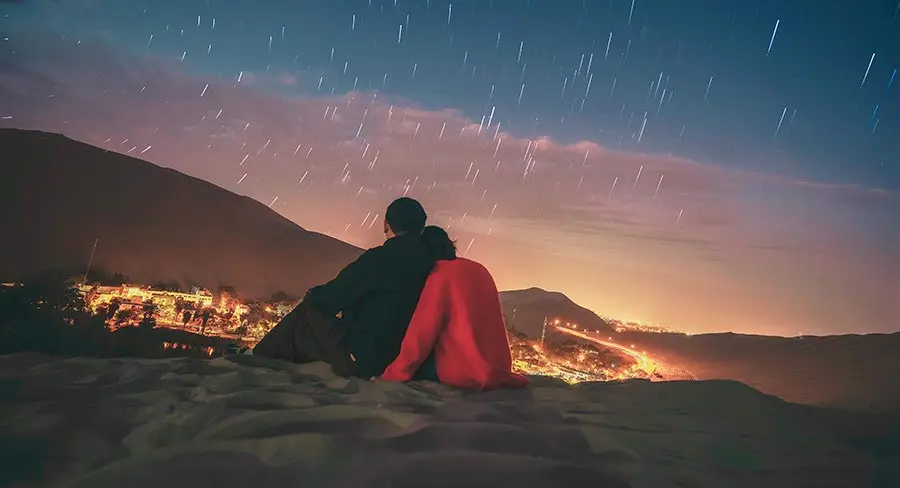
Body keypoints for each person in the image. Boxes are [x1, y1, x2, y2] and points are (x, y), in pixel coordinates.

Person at [253, 197, 434, 379]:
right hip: (407, 360)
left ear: (386, 224)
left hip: (366, 359)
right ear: (421, 228)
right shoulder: (432, 263)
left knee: (308, 309)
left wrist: (312, 298)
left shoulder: (380, 259)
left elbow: (330, 296)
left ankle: (255, 357)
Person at [381, 226, 529, 390]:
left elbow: (421, 334)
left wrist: (391, 376)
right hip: (499, 367)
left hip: (464, 372)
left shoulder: (440, 274)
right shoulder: (479, 269)